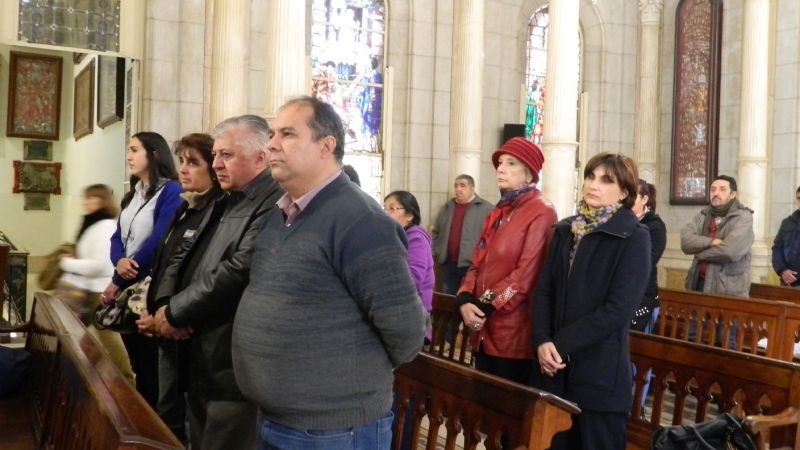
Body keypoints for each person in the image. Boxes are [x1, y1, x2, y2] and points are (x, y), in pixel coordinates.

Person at [232, 96, 427, 450]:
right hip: (276, 418)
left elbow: (407, 332)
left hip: (335, 430)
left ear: (326, 146)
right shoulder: (282, 214)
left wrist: (346, 379)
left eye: (288, 134)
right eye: (273, 133)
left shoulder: (360, 219)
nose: (272, 143)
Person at [148, 116, 283, 450]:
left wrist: (176, 313)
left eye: (227, 156)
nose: (217, 164)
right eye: (216, 155)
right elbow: (181, 254)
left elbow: (239, 270)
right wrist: (165, 307)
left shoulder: (273, 202)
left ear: (260, 158)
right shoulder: (225, 197)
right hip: (198, 352)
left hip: (228, 361)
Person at [531, 152, 651, 450]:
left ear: (624, 192)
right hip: (556, 371)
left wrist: (559, 344)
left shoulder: (634, 236)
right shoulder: (566, 230)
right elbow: (545, 290)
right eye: (590, 176)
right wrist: (542, 340)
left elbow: (618, 309)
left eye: (605, 180)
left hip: (599, 373)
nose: (593, 185)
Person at [136, 133, 224, 444]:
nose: (183, 169)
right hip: (165, 321)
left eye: (193, 163)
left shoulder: (216, 210)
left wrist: (170, 315)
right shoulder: (184, 207)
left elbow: (201, 272)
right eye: (182, 161)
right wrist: (154, 308)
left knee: (180, 418)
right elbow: (166, 264)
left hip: (186, 329)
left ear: (213, 170)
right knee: (165, 410)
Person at [456, 137, 557, 384]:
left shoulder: (541, 211)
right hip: (483, 329)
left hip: (513, 335)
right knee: (482, 407)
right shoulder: (499, 211)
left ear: (529, 174)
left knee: (506, 411)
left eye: (511, 163)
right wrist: (465, 298)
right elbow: (476, 262)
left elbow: (525, 276)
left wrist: (484, 306)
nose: (500, 169)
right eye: (500, 163)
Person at [101, 131, 183, 407]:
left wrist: (123, 273)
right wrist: (118, 263)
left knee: (151, 365)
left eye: (135, 150)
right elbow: (118, 236)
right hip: (128, 281)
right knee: (138, 362)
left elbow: (160, 238)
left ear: (154, 154)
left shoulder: (171, 191)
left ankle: (153, 428)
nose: (129, 156)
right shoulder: (133, 194)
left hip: (147, 287)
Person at [55, 184, 135, 384]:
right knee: (74, 338)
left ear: (103, 201)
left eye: (93, 198)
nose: (88, 202)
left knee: (110, 343)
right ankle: (76, 378)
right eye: (87, 198)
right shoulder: (91, 223)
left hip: (99, 291)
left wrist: (67, 262)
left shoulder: (105, 225)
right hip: (86, 290)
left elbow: (99, 265)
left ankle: (127, 384)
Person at [681, 175, 754, 298]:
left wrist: (699, 254)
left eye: (722, 189)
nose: (716, 193)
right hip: (698, 284)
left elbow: (729, 251)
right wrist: (711, 241)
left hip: (728, 290)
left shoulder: (743, 217)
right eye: (713, 189)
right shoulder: (703, 215)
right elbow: (685, 241)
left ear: (732, 194)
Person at [432, 174, 493, 295]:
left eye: (462, 186)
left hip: (472, 266)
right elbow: (436, 231)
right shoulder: (447, 207)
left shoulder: (487, 209)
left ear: (472, 188)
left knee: (467, 298)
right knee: (448, 297)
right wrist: (437, 250)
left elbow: (493, 237)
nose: (458, 189)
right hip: (449, 263)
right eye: (456, 186)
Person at [383, 190, 435, 316]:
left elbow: (413, 279)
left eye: (392, 208)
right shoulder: (394, 237)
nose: (385, 213)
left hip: (413, 316)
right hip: (397, 309)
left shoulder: (416, 239)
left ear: (409, 215)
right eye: (384, 208)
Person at [630, 180, 666, 332]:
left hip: (643, 294)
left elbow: (647, 262)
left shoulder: (655, 226)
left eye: (633, 196)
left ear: (644, 199)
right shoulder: (618, 221)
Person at [772, 186, 800, 287]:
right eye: (799, 198)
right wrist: (782, 270)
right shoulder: (787, 223)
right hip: (787, 282)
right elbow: (777, 249)